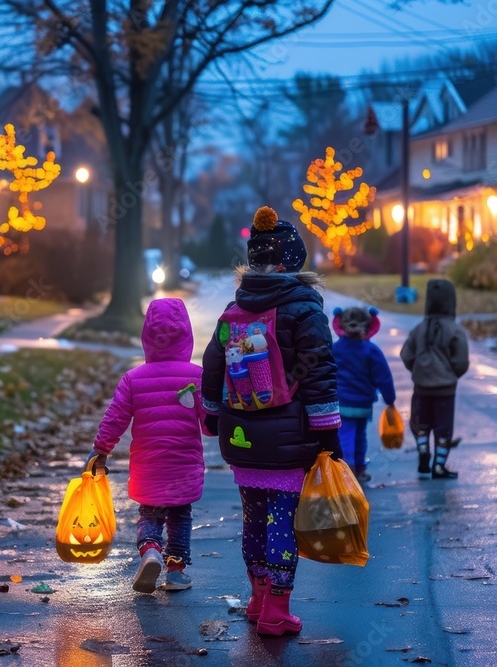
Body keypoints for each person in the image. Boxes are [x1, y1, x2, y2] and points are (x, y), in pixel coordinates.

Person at [202, 206, 342, 637]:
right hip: (287, 438)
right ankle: (277, 610)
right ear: (292, 263)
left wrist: (211, 415)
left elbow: (213, 364)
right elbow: (318, 373)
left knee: (252, 517)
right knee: (282, 519)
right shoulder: (305, 309)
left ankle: (258, 597)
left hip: (241, 434)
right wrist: (329, 435)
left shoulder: (233, 309)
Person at [88, 297, 205, 594]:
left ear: (147, 338)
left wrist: (101, 449)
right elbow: (209, 423)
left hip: (148, 466)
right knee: (180, 515)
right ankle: (176, 571)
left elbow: (114, 418)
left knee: (150, 513)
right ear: (186, 335)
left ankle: (150, 550)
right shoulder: (196, 376)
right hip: (184, 464)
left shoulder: (133, 379)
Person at [400, 279, 469, 480]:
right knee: (443, 428)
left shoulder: (419, 329)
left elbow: (406, 354)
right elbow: (462, 360)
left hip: (421, 387)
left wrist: (418, 370)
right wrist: (451, 374)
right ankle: (439, 467)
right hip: (445, 390)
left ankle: (423, 454)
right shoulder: (455, 330)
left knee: (420, 423)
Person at [332, 306, 396, 483]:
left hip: (342, 403)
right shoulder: (371, 350)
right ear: (369, 326)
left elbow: (326, 373)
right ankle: (360, 469)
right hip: (363, 405)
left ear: (340, 325)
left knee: (345, 436)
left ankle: (347, 471)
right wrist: (390, 399)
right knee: (360, 436)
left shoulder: (335, 349)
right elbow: (384, 377)